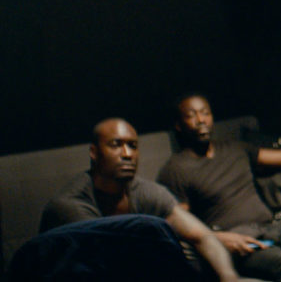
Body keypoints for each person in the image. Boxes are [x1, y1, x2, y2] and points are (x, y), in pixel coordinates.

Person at [157, 94, 281, 282]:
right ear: (178, 125)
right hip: (238, 241)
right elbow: (177, 225)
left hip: (272, 227)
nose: (201, 120)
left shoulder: (235, 149)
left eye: (205, 113)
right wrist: (217, 239)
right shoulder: (176, 169)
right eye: (191, 115)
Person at [38, 118, 238, 281]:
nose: (127, 154)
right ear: (94, 152)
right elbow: (110, 267)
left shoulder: (144, 191)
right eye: (116, 145)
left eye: (133, 146)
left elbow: (203, 236)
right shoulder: (70, 206)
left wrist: (229, 278)